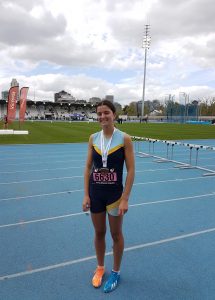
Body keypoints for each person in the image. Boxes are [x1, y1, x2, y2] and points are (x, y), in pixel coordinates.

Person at [82, 100, 135, 293]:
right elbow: (88, 167)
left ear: (114, 114)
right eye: (99, 114)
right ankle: (100, 268)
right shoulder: (93, 138)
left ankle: (116, 272)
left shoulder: (124, 139)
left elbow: (130, 170)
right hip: (96, 193)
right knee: (98, 233)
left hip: (114, 195)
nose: (102, 117)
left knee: (115, 234)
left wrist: (125, 198)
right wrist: (86, 194)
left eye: (106, 113)